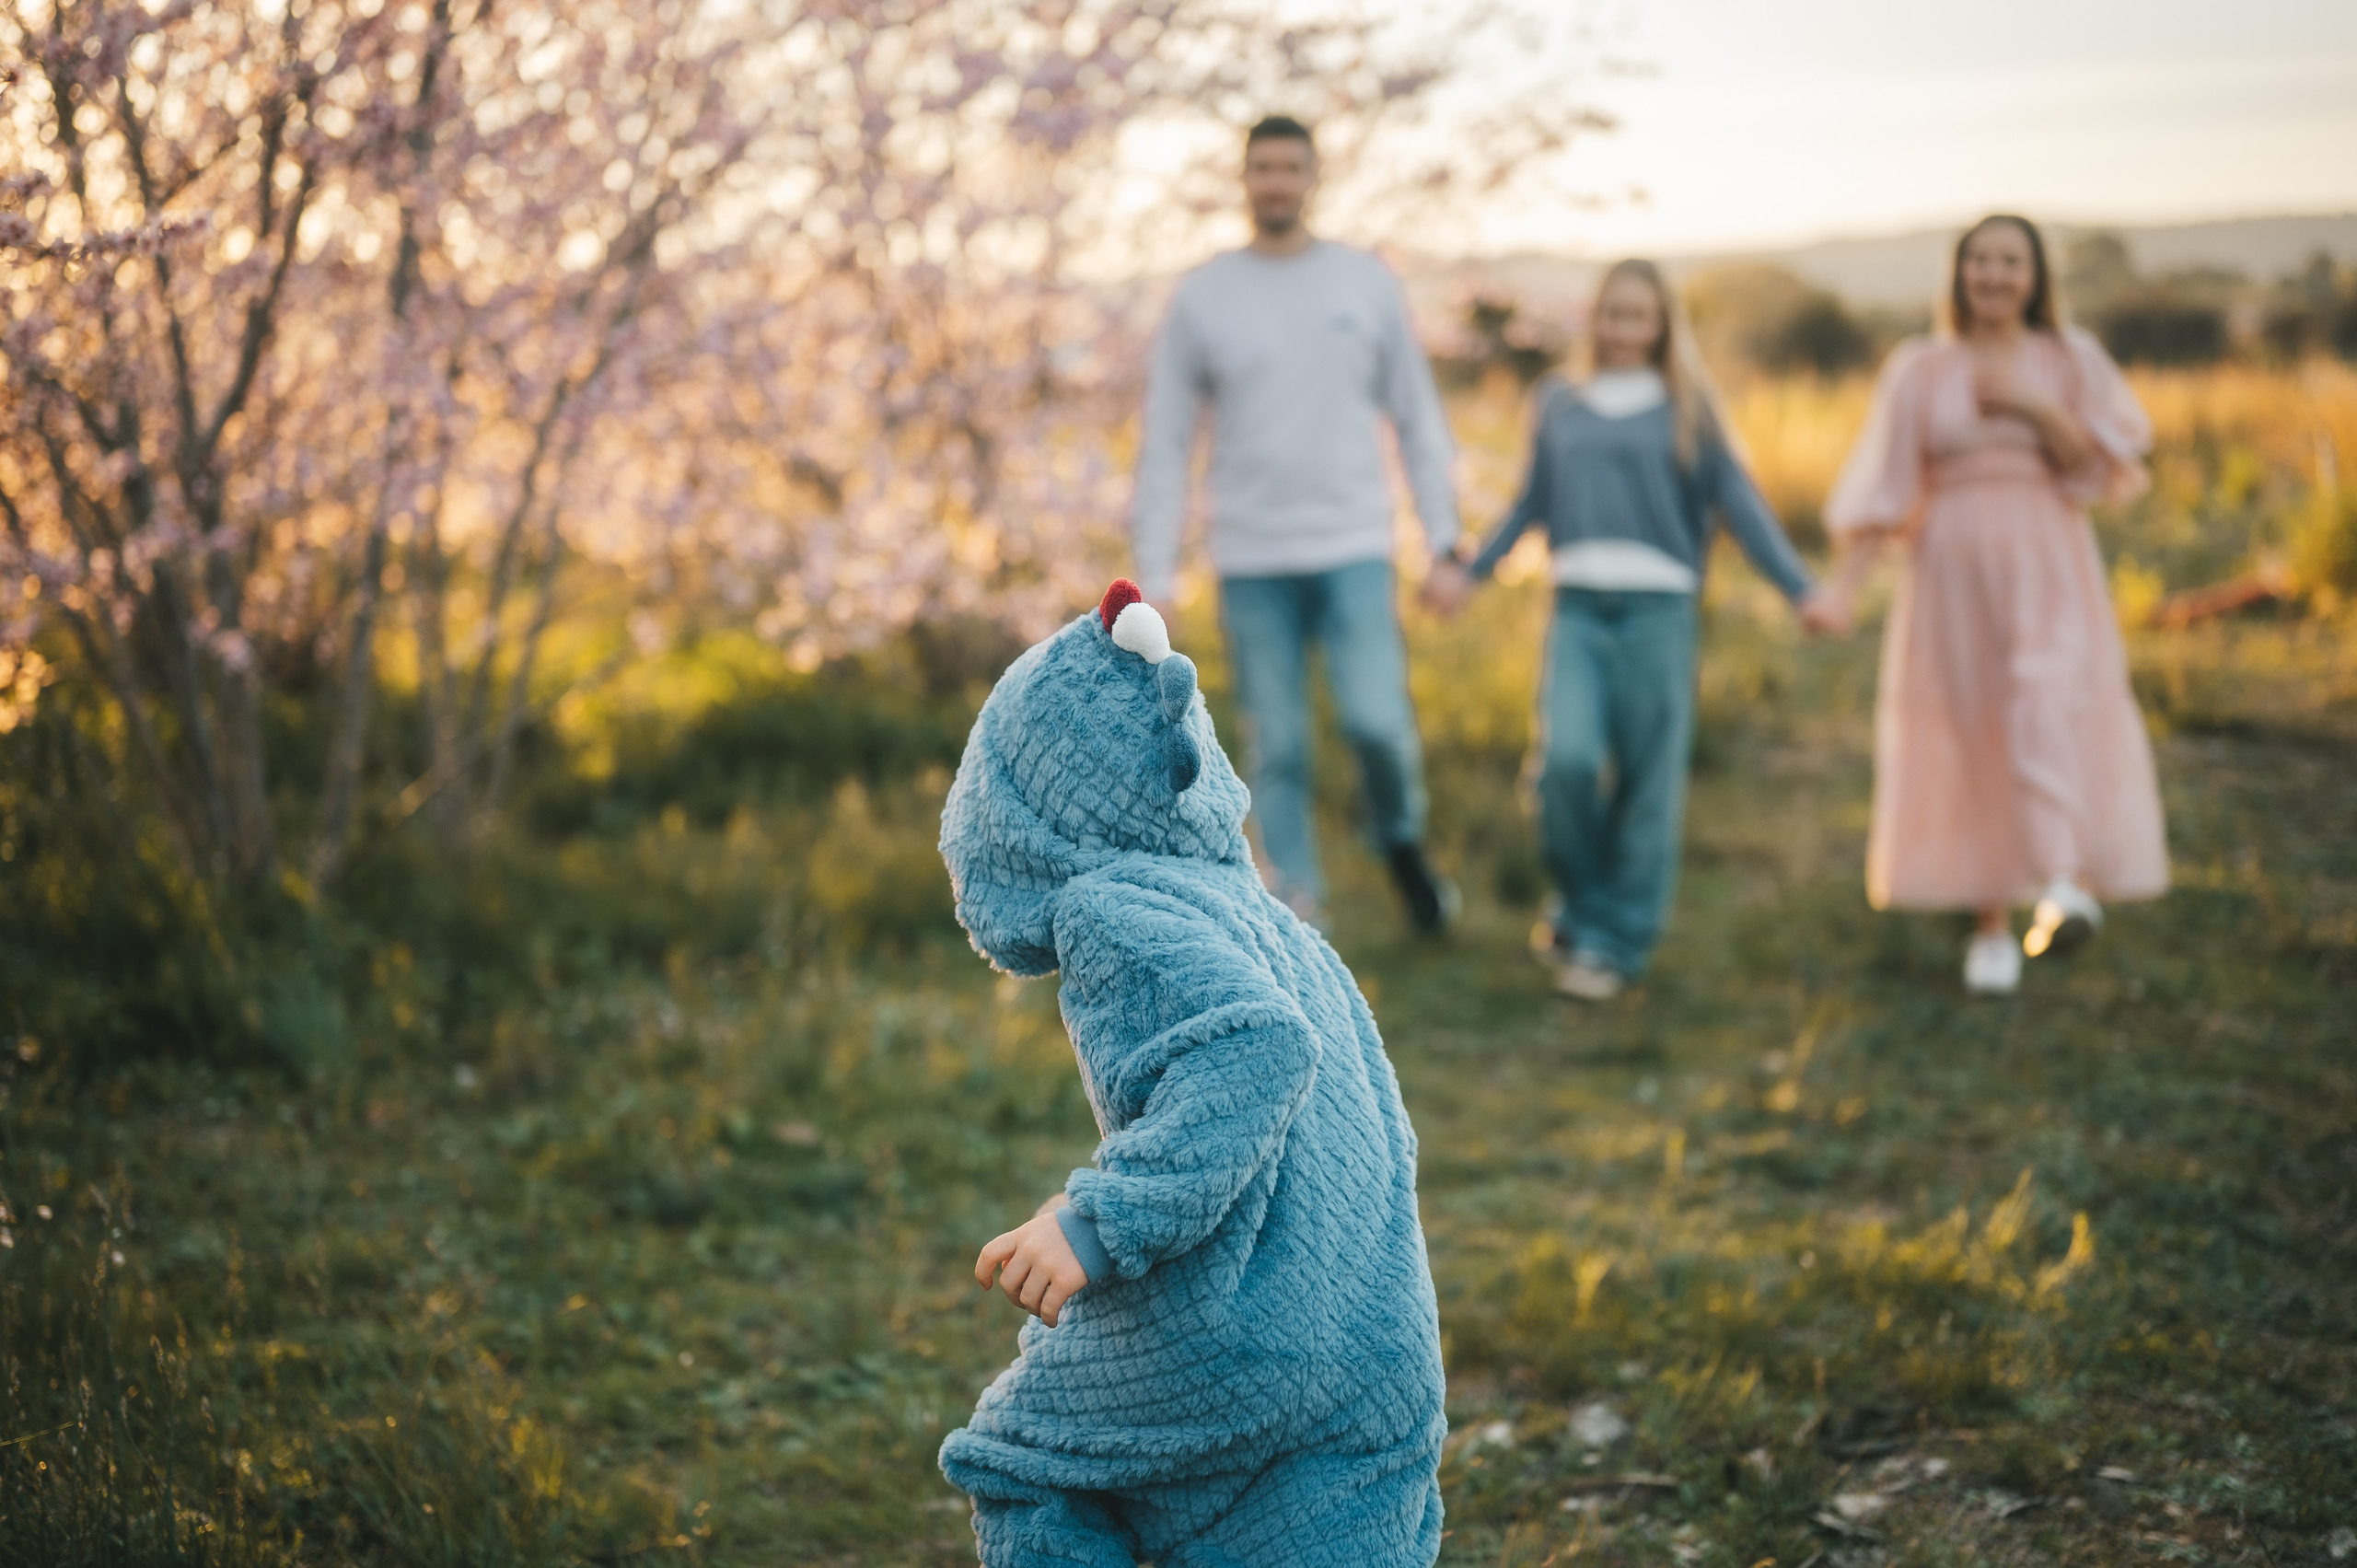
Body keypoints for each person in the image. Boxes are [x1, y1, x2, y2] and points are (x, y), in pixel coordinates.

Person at [936, 579, 1447, 1568]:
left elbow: (1253, 1049)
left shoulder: (1108, 905)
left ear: (1027, 797)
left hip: (1238, 1334)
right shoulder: (1258, 909)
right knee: (1313, 1522)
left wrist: (1099, 1219)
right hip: (1373, 1330)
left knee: (1028, 1461)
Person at [1426, 260, 1845, 999]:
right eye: (1612, 314)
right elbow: (1531, 503)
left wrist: (1801, 590)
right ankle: (1581, 903)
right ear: (1596, 319)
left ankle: (1614, 941)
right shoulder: (1559, 400)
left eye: (1638, 317)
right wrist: (1472, 571)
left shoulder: (1689, 406)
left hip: (1661, 613)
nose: (1622, 330)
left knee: (1649, 783)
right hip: (1579, 608)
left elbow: (1740, 505)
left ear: (1661, 327)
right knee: (1567, 766)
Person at [1817, 214, 2167, 995]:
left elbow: (2102, 468)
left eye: (2011, 261)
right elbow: (1887, 491)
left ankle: (2062, 879)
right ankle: (1988, 926)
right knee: (1972, 724)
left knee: (2048, 703)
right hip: (1950, 571)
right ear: (1959, 273)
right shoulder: (1920, 368)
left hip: (2049, 556)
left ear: (2035, 276)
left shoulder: (2069, 359)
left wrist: (2033, 406)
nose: (1995, 275)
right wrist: (1842, 590)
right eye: (1980, 261)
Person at [1132, 114, 1460, 935]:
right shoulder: (1204, 294)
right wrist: (1154, 574)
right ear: (1244, 179)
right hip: (1251, 556)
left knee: (1378, 725)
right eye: (1263, 168)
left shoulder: (1363, 281)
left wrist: (1444, 540)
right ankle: (1296, 904)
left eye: (1290, 168)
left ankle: (1403, 843)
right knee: (1276, 741)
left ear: (1315, 177)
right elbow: (1165, 441)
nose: (1276, 182)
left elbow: (1418, 418)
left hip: (1355, 545)